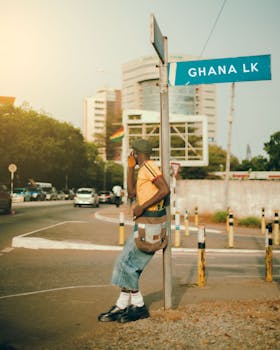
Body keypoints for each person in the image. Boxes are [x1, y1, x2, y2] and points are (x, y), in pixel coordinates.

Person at [98, 138, 170, 323]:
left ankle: (138, 306)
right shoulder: (142, 170)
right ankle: (122, 305)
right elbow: (130, 193)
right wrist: (130, 168)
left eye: (133, 154)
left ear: (137, 154)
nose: (133, 157)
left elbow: (165, 189)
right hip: (144, 223)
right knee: (130, 265)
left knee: (124, 264)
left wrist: (142, 207)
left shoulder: (150, 167)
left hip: (150, 222)